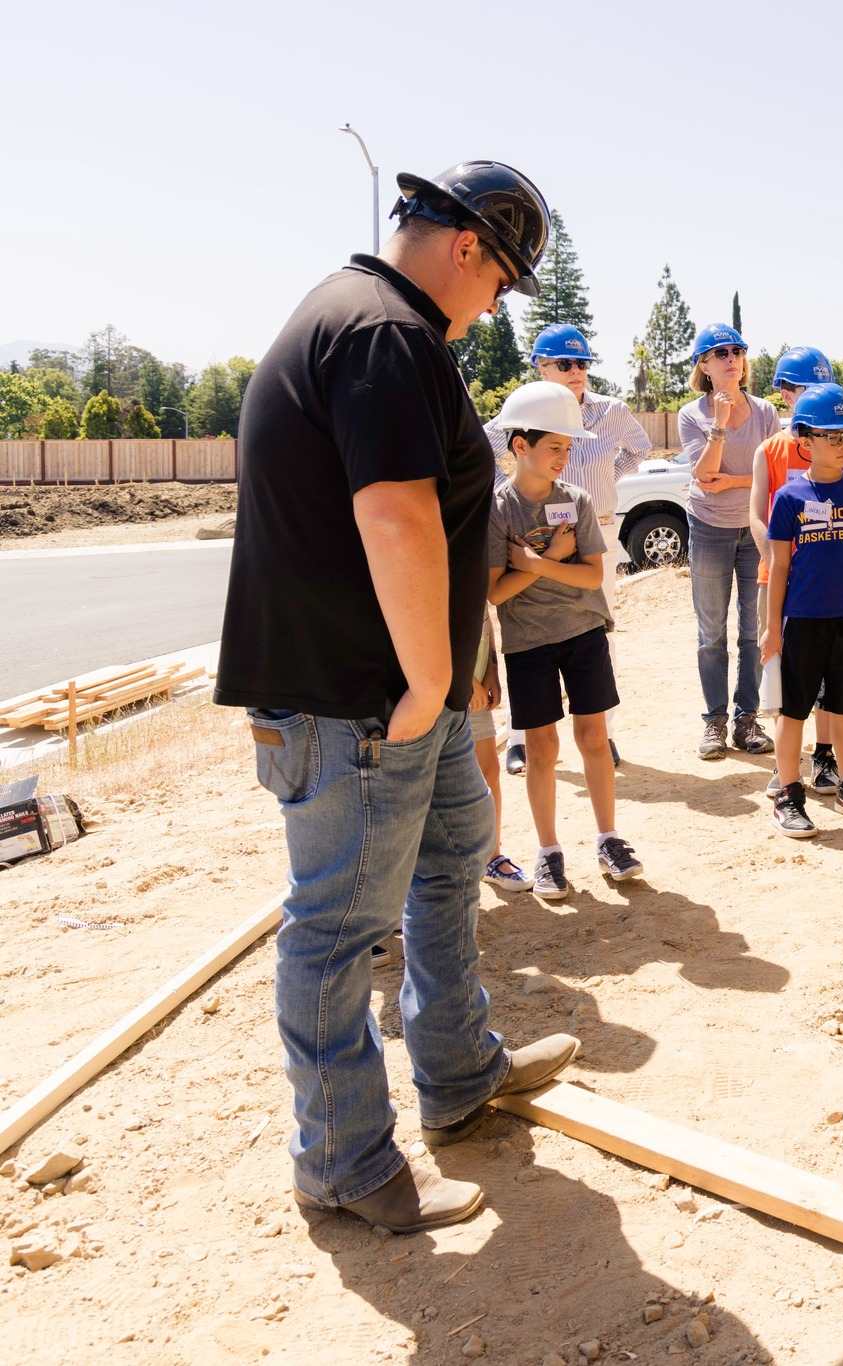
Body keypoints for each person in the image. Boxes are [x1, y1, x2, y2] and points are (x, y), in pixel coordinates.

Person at [215, 160, 578, 1234]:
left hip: (398, 698)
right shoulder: (382, 332)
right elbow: (396, 518)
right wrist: (430, 681)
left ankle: (460, 1074)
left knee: (450, 864)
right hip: (357, 702)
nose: (496, 305)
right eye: (503, 281)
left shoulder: (368, 318)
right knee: (337, 928)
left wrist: (444, 681)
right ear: (466, 246)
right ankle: (342, 1161)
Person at [487, 381, 646, 901]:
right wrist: (555, 559)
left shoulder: (575, 500)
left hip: (584, 634)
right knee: (540, 749)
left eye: (569, 447)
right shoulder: (498, 509)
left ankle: (608, 839)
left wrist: (532, 562)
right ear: (520, 446)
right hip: (527, 643)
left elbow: (589, 577)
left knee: (594, 740)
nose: (564, 457)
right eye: (555, 446)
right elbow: (495, 592)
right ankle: (549, 852)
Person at [487, 322, 652, 774]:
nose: (576, 371)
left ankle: (605, 733)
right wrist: (515, 502)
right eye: (565, 363)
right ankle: (521, 738)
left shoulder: (611, 410)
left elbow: (639, 449)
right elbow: (489, 455)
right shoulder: (518, 411)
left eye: (582, 363)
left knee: (599, 631)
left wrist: (601, 486)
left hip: (594, 528)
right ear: (539, 367)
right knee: (522, 637)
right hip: (529, 536)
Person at [761, 384, 843, 836]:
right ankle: (789, 794)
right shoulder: (789, 498)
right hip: (802, 621)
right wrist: (771, 629)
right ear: (804, 441)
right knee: (793, 711)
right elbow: (778, 566)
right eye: (831, 437)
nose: (842, 445)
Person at [678, 324, 779, 759]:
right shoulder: (691, 415)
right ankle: (715, 723)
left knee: (754, 632)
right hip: (708, 529)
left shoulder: (765, 412)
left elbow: (771, 475)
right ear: (703, 364)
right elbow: (703, 476)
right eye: (719, 353)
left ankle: (747, 721)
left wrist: (734, 482)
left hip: (756, 531)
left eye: (735, 350)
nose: (730, 358)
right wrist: (718, 423)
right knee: (710, 632)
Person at [749, 346, 843, 797]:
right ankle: (785, 763)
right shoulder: (769, 450)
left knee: (828, 672)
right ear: (785, 393)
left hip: (827, 580)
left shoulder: (839, 445)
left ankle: (825, 756)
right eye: (799, 388)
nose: (807, 396)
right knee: (778, 668)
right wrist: (775, 558)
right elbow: (756, 513)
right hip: (779, 576)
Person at [471, 616, 534, 893]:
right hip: (438, 683)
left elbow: (484, 622)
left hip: (474, 687)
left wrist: (492, 671)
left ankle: (491, 857)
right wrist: (462, 674)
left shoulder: (477, 570)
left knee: (489, 772)